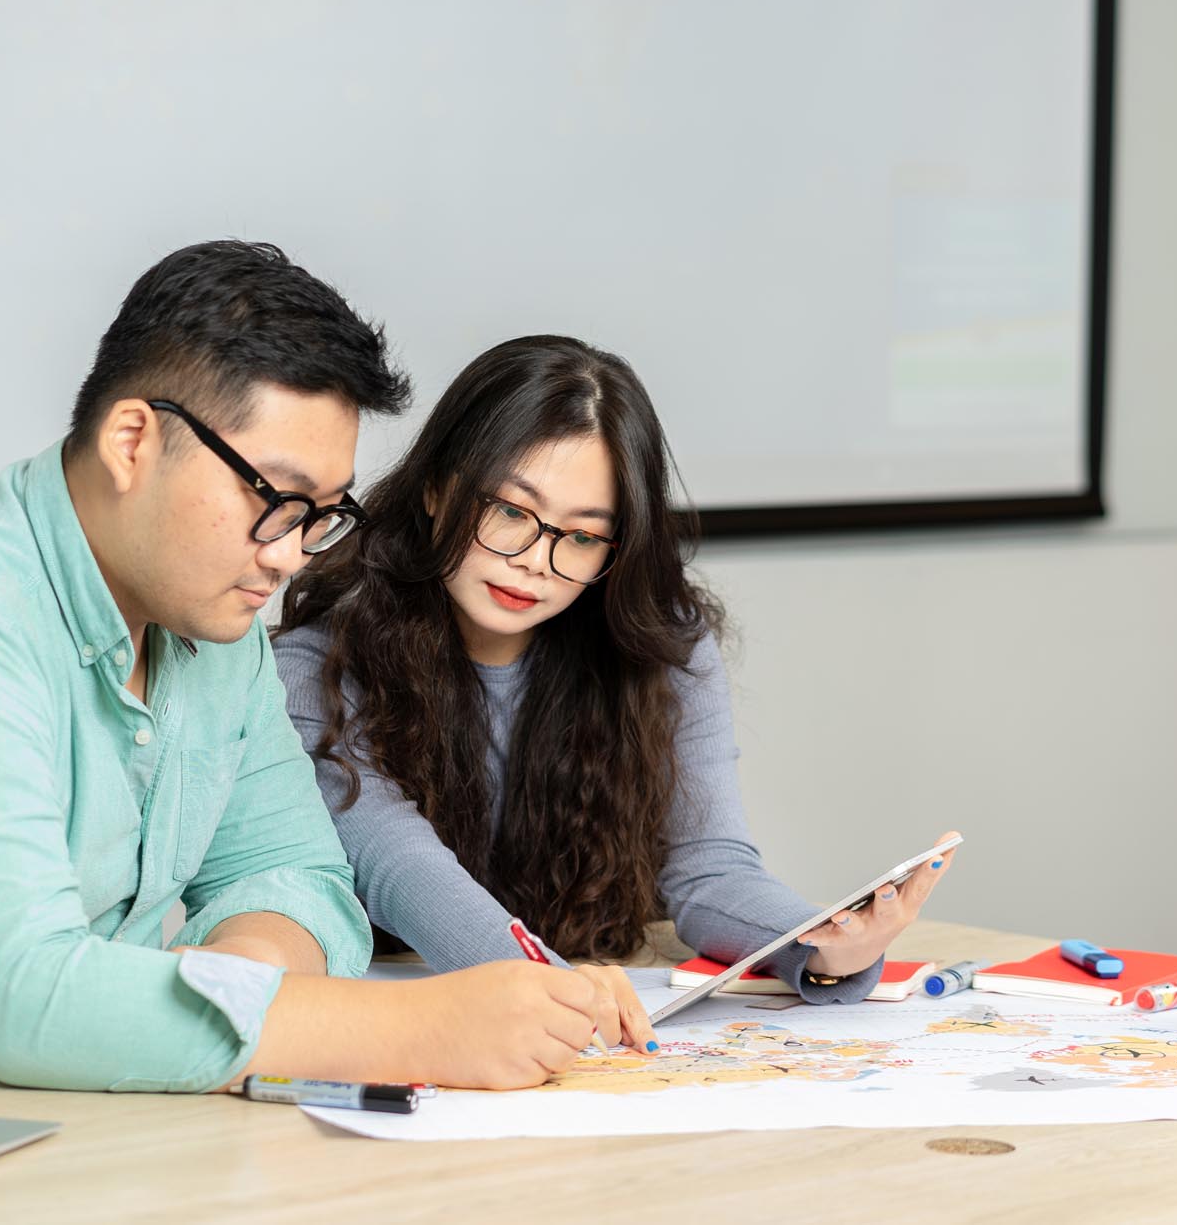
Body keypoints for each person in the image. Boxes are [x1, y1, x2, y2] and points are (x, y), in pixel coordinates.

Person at [0, 243, 604, 1093]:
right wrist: (407, 1030)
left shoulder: (211, 620)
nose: (292, 554)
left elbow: (301, 877)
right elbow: (21, 996)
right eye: (278, 500)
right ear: (133, 441)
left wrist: (245, 994)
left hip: (39, 1096)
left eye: (323, 511)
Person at [275, 334, 956, 1048]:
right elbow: (395, 862)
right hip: (408, 1033)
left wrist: (820, 942)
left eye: (582, 536)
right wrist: (551, 982)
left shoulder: (662, 648)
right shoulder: (317, 655)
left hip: (559, 1020)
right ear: (438, 488)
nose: (537, 562)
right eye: (510, 511)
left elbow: (710, 868)